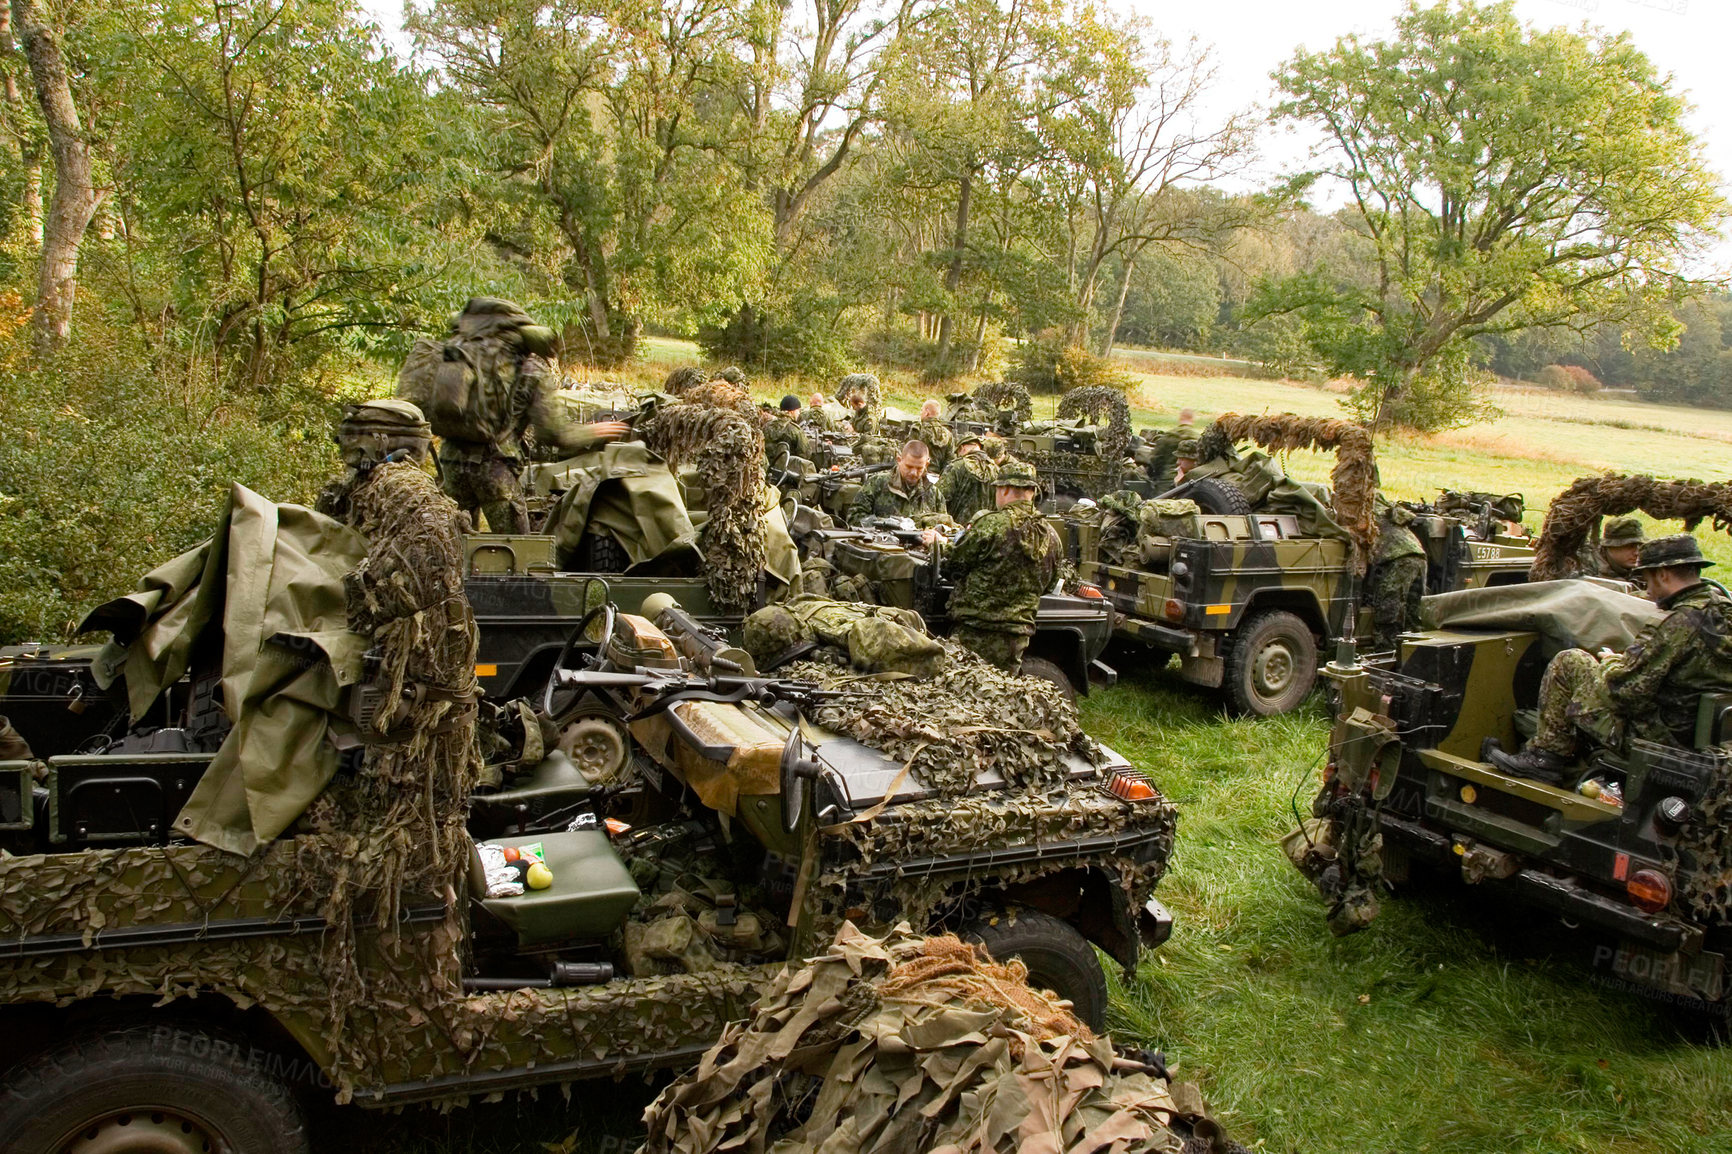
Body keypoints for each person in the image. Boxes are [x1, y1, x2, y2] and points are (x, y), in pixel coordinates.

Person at [1485, 535, 1732, 782]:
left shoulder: (1676, 625)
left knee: (1571, 661)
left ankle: (1543, 759)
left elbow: (1622, 692)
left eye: (1647, 580)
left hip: (1658, 742)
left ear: (1663, 574)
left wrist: (1612, 661)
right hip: (1704, 742)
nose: (1647, 591)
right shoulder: (1723, 611)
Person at [400, 297, 627, 534]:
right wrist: (596, 431)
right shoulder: (530, 369)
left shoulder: (456, 354)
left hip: (450, 464)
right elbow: (553, 433)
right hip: (495, 470)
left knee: (453, 543)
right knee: (515, 553)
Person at [946, 462, 1061, 672]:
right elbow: (1049, 584)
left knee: (961, 691)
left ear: (1005, 489)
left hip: (974, 631)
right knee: (1001, 697)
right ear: (1033, 492)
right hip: (1016, 638)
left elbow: (953, 565)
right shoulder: (1052, 536)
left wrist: (937, 543)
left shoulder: (991, 525)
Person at [848, 441, 942, 539]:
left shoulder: (934, 494)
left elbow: (945, 527)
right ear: (899, 460)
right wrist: (887, 524)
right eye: (909, 467)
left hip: (920, 551)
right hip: (883, 548)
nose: (913, 473)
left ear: (926, 465)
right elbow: (854, 518)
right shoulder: (877, 483)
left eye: (919, 468)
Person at [1366, 503, 1427, 651]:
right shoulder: (1385, 511)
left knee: (1388, 608)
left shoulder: (1366, 514)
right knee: (1414, 611)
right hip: (1418, 556)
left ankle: (1386, 651)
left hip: (1400, 559)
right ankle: (1415, 651)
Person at [937, 432, 998, 524]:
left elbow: (939, 498)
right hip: (987, 529)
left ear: (962, 448)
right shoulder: (997, 470)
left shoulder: (956, 466)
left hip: (958, 530)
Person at [1588, 516, 1646, 587]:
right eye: (1630, 546)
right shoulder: (1588, 569)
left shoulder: (1644, 565)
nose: (1637, 553)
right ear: (1610, 546)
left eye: (1639, 546)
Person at [764, 395, 811, 469]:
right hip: (787, 474)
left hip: (767, 470)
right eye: (798, 410)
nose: (799, 413)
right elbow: (806, 454)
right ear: (792, 412)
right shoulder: (795, 430)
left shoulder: (766, 426)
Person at [916, 399, 955, 472]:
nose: (921, 413)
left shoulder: (918, 429)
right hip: (939, 476)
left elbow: (911, 453)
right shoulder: (948, 434)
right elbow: (950, 460)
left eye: (922, 410)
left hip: (920, 474)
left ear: (927, 412)